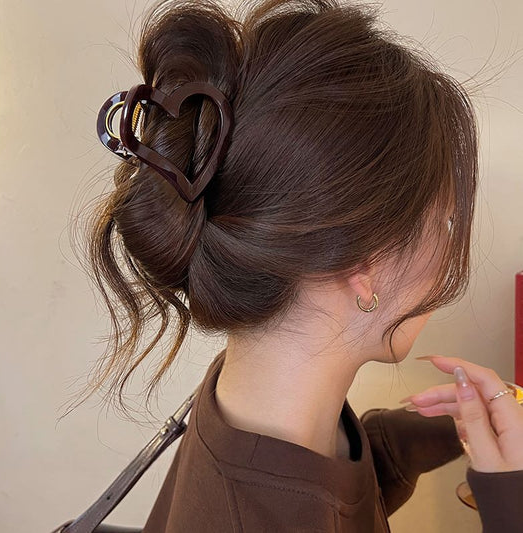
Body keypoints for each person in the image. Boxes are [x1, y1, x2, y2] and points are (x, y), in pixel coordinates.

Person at [75, 0, 523, 531]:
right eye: (445, 224)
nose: (449, 252)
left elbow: (316, 489)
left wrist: (433, 432)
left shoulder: (254, 398)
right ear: (365, 263)